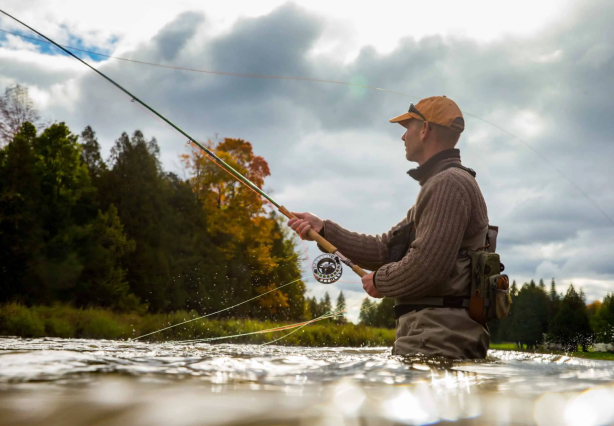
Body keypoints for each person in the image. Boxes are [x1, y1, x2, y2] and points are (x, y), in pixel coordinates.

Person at [287, 96, 490, 359]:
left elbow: (428, 267)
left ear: (425, 130)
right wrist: (324, 229)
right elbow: (386, 250)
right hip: (432, 336)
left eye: (408, 128)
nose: (403, 137)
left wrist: (380, 281)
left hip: (438, 340)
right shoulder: (441, 184)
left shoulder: (448, 184)